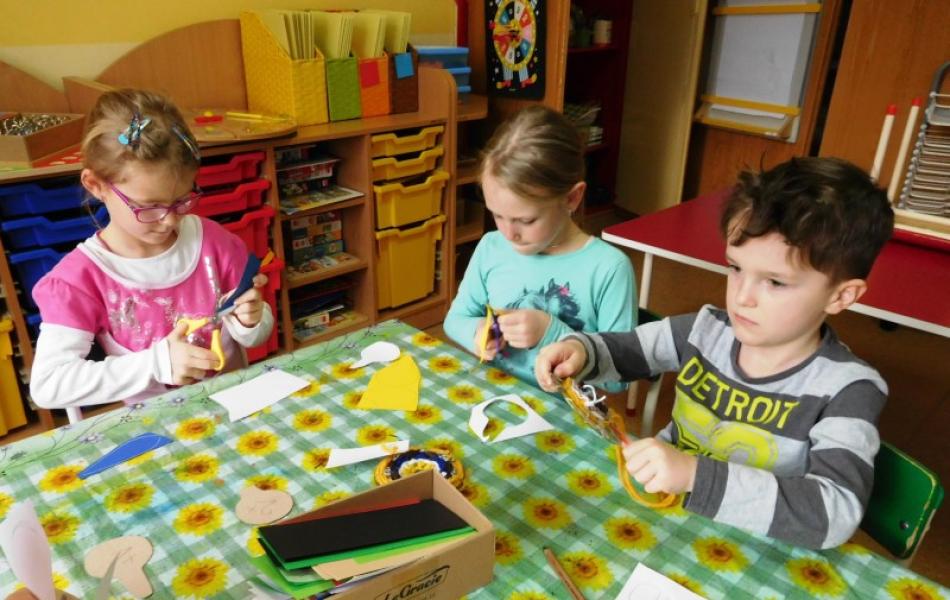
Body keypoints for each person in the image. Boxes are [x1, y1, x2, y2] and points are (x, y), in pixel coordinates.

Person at [536, 157, 895, 549]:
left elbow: (833, 513)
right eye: (735, 268)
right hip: (665, 517)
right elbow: (627, 350)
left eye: (775, 282)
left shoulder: (848, 389)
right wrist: (580, 351)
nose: (742, 297)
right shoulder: (706, 330)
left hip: (756, 548)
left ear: (841, 295)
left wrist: (695, 475)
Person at [30, 89, 274, 409]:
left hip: (236, 407)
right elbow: (49, 385)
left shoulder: (214, 242)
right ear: (96, 186)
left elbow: (255, 336)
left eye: (182, 200)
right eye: (149, 207)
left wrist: (250, 320)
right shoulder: (80, 280)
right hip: (158, 424)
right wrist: (156, 363)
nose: (169, 220)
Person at [443, 105, 635, 388]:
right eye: (497, 215)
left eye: (526, 220)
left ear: (572, 198)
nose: (508, 233)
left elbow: (619, 380)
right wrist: (477, 331)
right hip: (496, 395)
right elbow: (455, 319)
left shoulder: (609, 268)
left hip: (564, 410)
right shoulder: (491, 247)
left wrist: (551, 332)